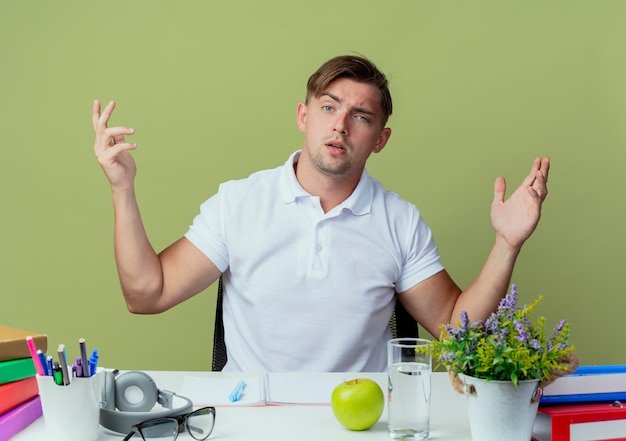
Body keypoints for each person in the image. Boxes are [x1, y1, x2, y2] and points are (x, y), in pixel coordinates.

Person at [92, 55, 549, 372]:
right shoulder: (239, 203)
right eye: (329, 107)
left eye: (361, 117)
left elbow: (455, 331)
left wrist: (508, 244)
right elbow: (146, 295)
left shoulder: (399, 221)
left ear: (380, 139)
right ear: (303, 116)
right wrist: (122, 189)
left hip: (360, 423)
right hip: (250, 420)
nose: (340, 125)